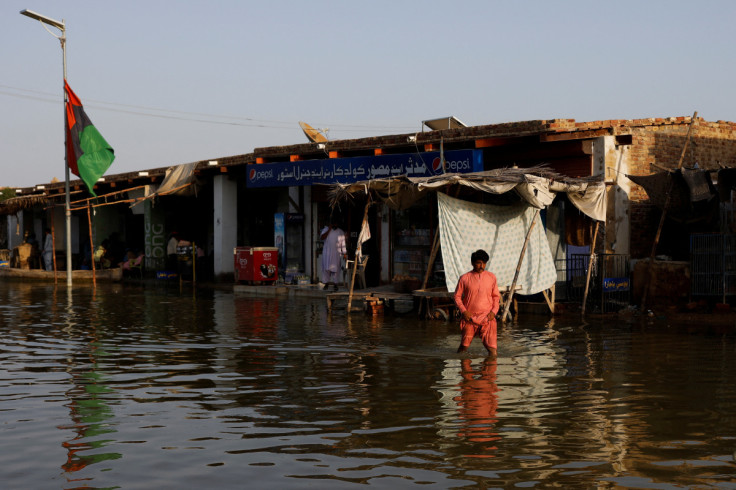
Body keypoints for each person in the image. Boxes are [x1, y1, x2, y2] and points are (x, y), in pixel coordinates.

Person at [454, 249, 501, 357]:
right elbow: (457, 296)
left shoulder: (491, 277)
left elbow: (496, 297)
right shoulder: (464, 278)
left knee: (492, 350)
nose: (482, 266)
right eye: (479, 263)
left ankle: (489, 373)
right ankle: (464, 370)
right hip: (469, 317)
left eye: (484, 263)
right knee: (464, 347)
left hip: (487, 317)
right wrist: (464, 311)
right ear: (472, 263)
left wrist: (493, 312)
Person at [320, 219, 347, 291]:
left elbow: (343, 244)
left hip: (336, 253)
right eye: (333, 224)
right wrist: (329, 230)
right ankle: (326, 283)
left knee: (336, 269)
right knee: (326, 269)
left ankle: (335, 284)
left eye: (336, 224)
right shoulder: (326, 229)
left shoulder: (340, 232)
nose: (334, 225)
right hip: (327, 253)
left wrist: (344, 253)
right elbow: (322, 238)